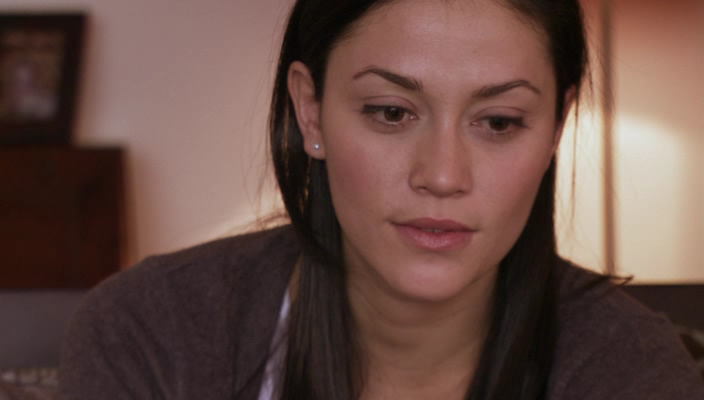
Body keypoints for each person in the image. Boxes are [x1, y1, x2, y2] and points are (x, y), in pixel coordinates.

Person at [59, 0, 704, 399]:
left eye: (499, 122)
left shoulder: (627, 368)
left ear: (557, 128)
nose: (443, 176)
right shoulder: (154, 335)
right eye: (392, 112)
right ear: (310, 111)